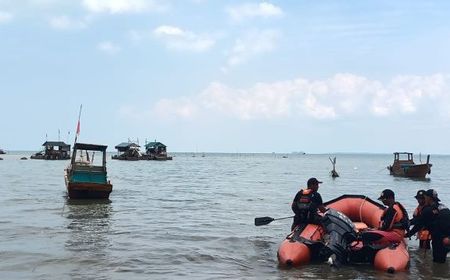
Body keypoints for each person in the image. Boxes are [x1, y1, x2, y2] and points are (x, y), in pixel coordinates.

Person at [407, 189, 450, 263]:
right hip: (447, 236)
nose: (424, 199)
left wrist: (407, 234)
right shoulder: (444, 207)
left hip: (440, 239)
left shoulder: (428, 210)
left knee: (438, 263)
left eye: (425, 197)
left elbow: (419, 224)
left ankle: (438, 274)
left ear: (429, 198)